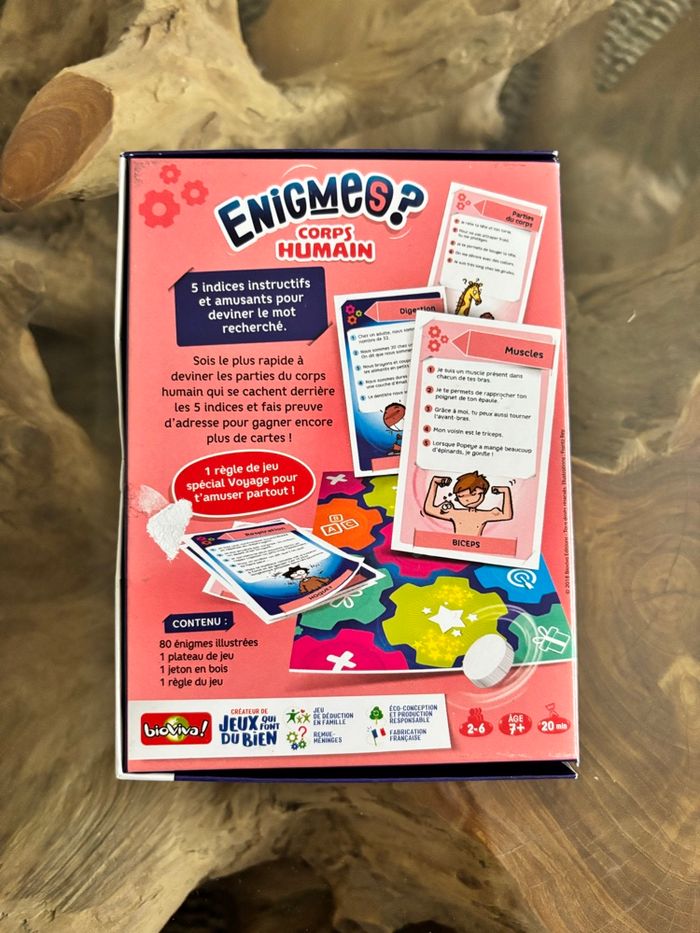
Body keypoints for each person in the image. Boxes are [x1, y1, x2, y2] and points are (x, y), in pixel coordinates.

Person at [423, 471, 513, 536]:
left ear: (482, 493)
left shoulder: (483, 515)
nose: (467, 499)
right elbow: (429, 509)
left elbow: (506, 515)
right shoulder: (456, 514)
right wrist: (434, 483)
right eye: (461, 496)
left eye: (473, 494)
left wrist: (505, 491)